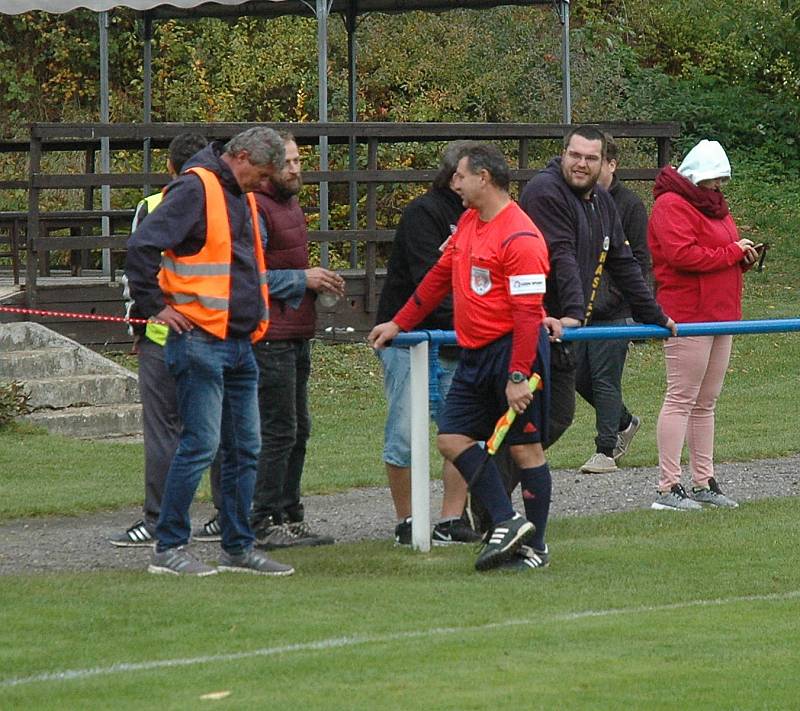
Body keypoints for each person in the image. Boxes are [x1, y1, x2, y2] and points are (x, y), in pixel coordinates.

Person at [370, 143, 559, 572]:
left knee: (526, 451)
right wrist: (399, 323)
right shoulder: (470, 222)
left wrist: (517, 374)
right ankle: (509, 522)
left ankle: (537, 547)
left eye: (460, 175)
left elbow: (529, 313)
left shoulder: (522, 236)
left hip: (513, 353)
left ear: (484, 178)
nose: (453, 183)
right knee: (452, 439)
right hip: (474, 355)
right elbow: (438, 278)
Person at [126, 126, 294, 576]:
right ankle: (168, 547)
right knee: (200, 445)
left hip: (239, 341)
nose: (263, 184)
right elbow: (141, 246)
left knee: (245, 449)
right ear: (239, 156)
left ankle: (237, 547)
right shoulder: (195, 187)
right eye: (260, 174)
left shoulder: (239, 191)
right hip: (200, 339)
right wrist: (156, 308)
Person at [519, 125, 676, 450]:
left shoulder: (603, 201)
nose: (581, 163)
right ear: (563, 154)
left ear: (605, 163)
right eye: (575, 155)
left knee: (555, 418)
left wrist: (656, 316)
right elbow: (560, 253)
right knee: (527, 423)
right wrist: (576, 315)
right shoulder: (544, 191)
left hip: (564, 329)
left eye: (591, 158)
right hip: (532, 322)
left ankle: (489, 494)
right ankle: (484, 490)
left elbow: (624, 261)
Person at [111, 132, 226, 547]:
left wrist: (139, 326)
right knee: (219, 426)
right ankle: (224, 516)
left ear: (170, 168)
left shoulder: (154, 206)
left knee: (165, 431)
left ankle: (158, 519)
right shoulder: (225, 200)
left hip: (164, 333)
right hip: (216, 329)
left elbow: (136, 272)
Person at [375, 141, 482, 547]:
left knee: (460, 430)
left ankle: (450, 518)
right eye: (467, 175)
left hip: (460, 340)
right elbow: (431, 282)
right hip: (410, 339)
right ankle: (406, 519)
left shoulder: (482, 217)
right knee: (404, 432)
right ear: (454, 177)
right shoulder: (424, 213)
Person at [648, 139, 757, 511]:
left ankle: (703, 480)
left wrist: (741, 257)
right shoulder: (670, 205)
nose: (718, 187)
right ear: (696, 176)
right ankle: (667, 486)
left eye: (722, 180)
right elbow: (682, 255)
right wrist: (732, 252)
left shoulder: (714, 207)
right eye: (713, 179)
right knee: (681, 398)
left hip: (721, 312)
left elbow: (720, 251)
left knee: (705, 402)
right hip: (689, 315)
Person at [248, 132, 344, 549]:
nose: (295, 169)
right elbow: (247, 278)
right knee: (279, 429)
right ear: (268, 166)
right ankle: (262, 518)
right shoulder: (255, 207)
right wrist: (302, 279)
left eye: (299, 161)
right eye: (288, 162)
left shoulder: (290, 206)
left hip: (297, 331)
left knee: (299, 428)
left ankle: (290, 512)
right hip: (269, 336)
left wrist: (316, 283)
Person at [574, 133, 652, 473]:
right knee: (577, 377)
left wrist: (625, 301)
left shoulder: (630, 204)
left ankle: (606, 450)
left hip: (614, 311)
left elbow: (639, 260)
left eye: (595, 160)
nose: (587, 167)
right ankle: (624, 421)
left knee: (606, 379)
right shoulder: (578, 201)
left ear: (611, 165)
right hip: (579, 310)